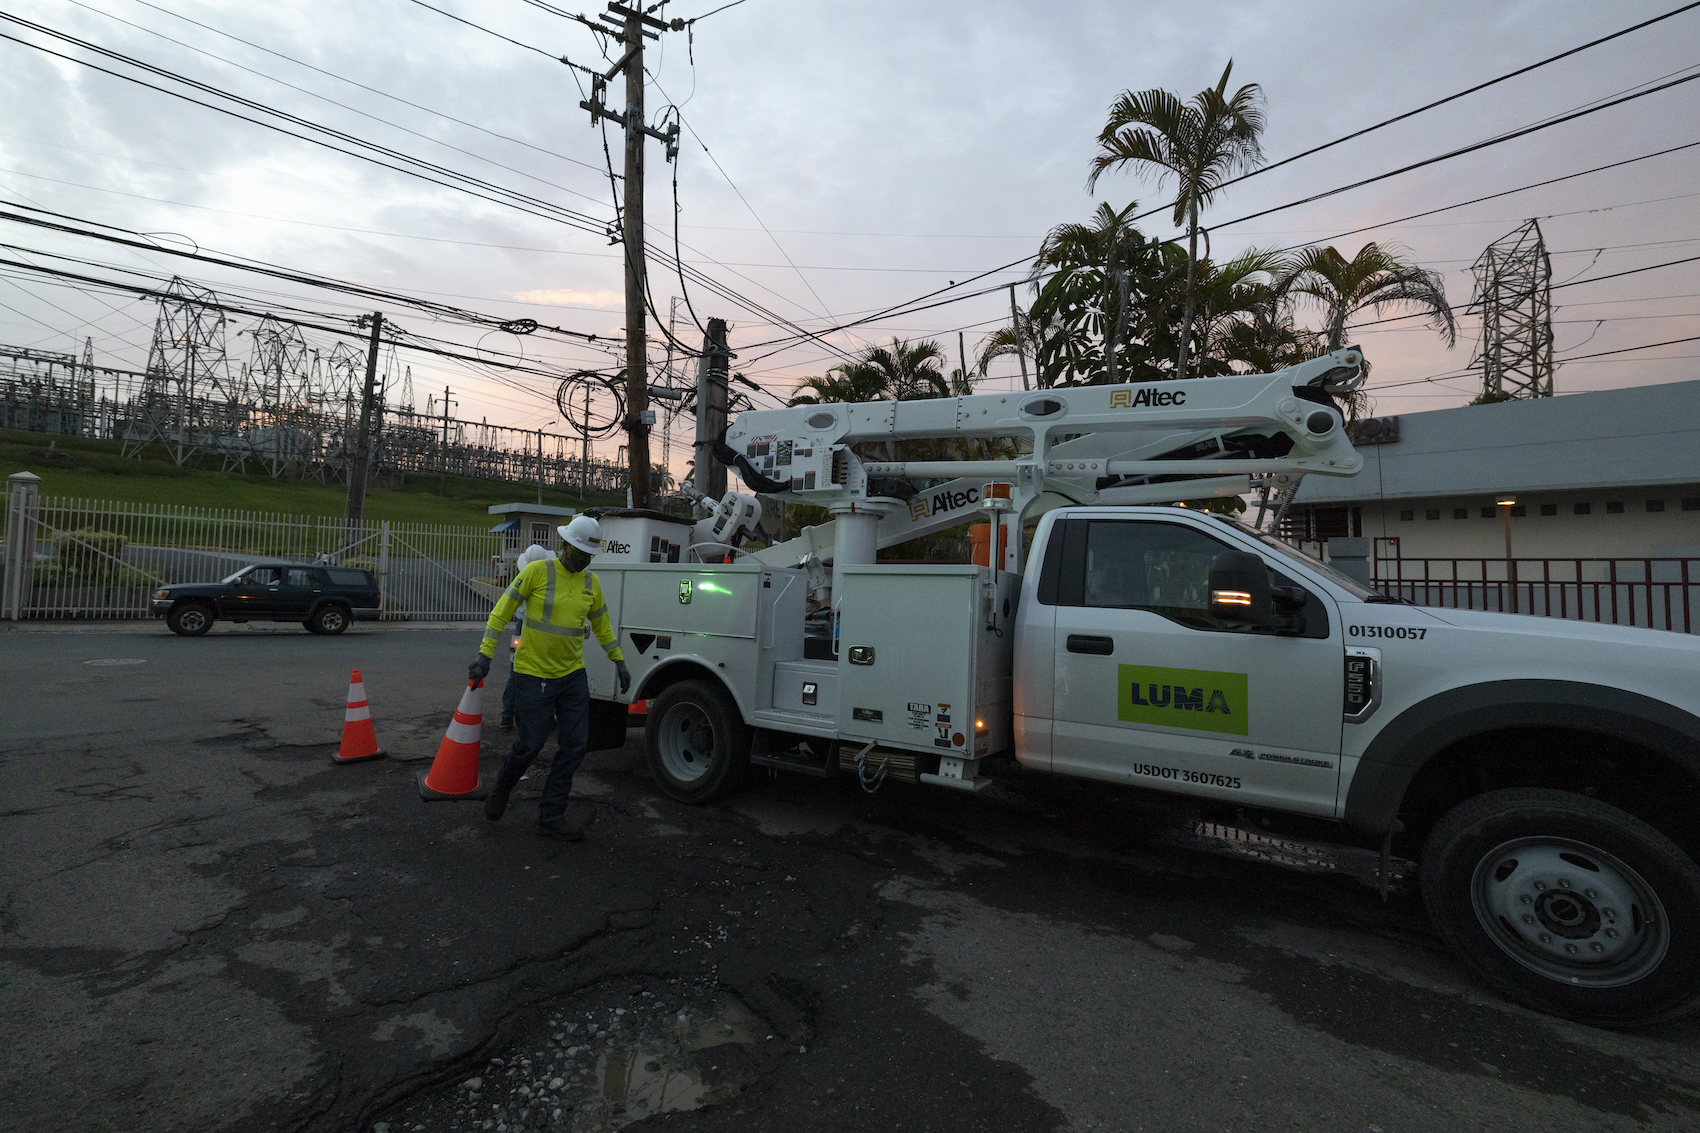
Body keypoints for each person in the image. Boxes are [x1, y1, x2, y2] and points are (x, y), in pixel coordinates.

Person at [470, 515, 630, 840]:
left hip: (572, 676)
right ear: (565, 545)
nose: (584, 558)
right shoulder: (536, 572)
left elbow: (602, 627)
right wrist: (484, 654)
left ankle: (551, 814)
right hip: (532, 674)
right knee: (530, 744)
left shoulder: (591, 584)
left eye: (589, 554)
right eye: (579, 552)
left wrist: (619, 661)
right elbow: (500, 612)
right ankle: (502, 788)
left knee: (575, 747)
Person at [499, 543, 552, 731]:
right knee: (541, 673)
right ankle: (532, 717)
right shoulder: (548, 582)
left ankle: (507, 715)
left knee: (515, 670)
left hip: (521, 630)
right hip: (541, 632)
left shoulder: (521, 579)